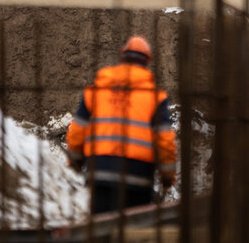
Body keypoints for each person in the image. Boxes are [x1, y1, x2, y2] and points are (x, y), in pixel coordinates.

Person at [66, 36, 176, 214]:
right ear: (148, 61)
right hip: (138, 177)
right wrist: (167, 176)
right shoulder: (156, 97)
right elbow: (165, 141)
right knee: (132, 232)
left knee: (100, 228)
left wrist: (76, 162)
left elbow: (77, 131)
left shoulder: (97, 90)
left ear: (122, 57)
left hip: (100, 171)